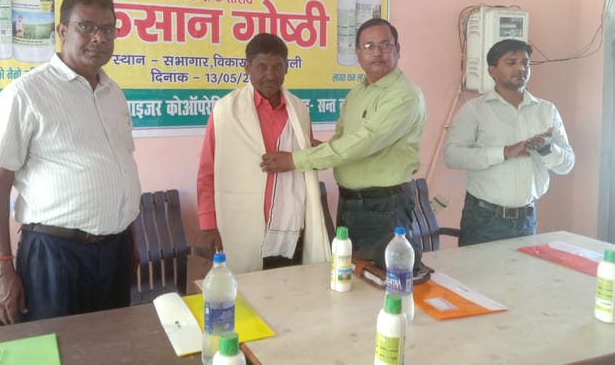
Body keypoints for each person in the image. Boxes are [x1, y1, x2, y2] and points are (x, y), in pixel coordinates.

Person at [0, 0, 141, 324]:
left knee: (113, 344)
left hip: (114, 252)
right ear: (62, 30)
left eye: (108, 29)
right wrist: (2, 270)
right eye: (86, 26)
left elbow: (120, 167)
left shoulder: (114, 94)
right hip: (54, 256)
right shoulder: (25, 94)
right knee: (56, 346)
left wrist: (128, 235)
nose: (99, 37)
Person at [260, 18, 426, 269]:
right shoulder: (358, 92)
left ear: (398, 49)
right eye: (368, 46)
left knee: (382, 278)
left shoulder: (404, 95)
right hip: (351, 204)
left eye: (384, 45)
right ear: (358, 54)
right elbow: (343, 139)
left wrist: (295, 160)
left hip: (384, 207)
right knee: (349, 274)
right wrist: (317, 149)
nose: (377, 53)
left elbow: (363, 142)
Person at [196, 33, 331, 274]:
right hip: (241, 225)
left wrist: (317, 153)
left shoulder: (299, 110)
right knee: (243, 292)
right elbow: (207, 171)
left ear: (287, 68)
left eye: (277, 67)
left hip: (290, 227)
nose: (270, 74)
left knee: (289, 291)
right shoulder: (226, 111)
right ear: (248, 67)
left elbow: (306, 160)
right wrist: (208, 225)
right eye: (262, 67)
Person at [444, 39, 575, 246]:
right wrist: (503, 152)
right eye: (511, 62)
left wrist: (547, 148)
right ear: (492, 71)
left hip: (526, 219)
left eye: (525, 63)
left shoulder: (546, 110)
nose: (521, 68)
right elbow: (452, 156)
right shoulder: (474, 110)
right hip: (484, 219)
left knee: (522, 269)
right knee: (478, 269)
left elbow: (567, 164)